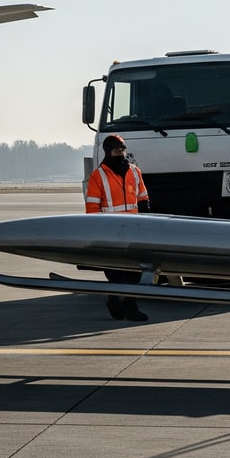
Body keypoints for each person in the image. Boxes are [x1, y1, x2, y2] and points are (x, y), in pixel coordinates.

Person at [85, 134, 151, 322]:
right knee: (116, 274)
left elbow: (143, 199)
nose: (121, 154)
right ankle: (114, 302)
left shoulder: (135, 172)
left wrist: (145, 221)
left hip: (133, 232)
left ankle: (131, 307)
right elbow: (92, 207)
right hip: (110, 233)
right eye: (116, 151)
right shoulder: (98, 176)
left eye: (123, 151)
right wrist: (96, 232)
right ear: (108, 153)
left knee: (134, 274)